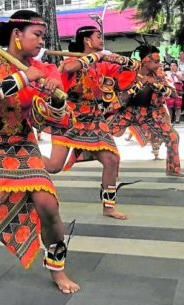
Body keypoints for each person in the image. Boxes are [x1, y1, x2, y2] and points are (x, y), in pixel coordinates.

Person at [0, 10, 78, 293]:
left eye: (43, 36)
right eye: (36, 35)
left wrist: (54, 98)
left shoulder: (48, 71)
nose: (42, 42)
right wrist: (22, 79)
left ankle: (57, 268)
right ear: (17, 35)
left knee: (48, 206)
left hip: (23, 144)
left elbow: (59, 121)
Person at [42, 26, 140, 220]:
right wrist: (96, 56)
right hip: (69, 117)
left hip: (94, 118)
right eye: (98, 37)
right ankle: (24, 162)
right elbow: (69, 69)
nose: (101, 40)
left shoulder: (102, 64)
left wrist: (124, 60)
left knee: (112, 160)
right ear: (87, 40)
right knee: (54, 166)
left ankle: (108, 207)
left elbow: (129, 72)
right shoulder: (73, 60)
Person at [109, 45, 184, 178]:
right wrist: (139, 84)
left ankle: (172, 169)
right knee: (102, 132)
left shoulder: (158, 75)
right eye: (156, 62)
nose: (159, 64)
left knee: (173, 137)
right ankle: (102, 161)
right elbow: (121, 98)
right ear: (146, 61)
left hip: (149, 115)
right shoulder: (129, 72)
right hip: (127, 112)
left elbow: (174, 94)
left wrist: (156, 85)